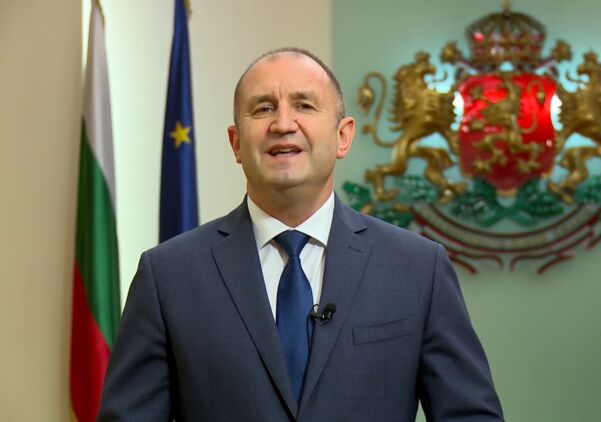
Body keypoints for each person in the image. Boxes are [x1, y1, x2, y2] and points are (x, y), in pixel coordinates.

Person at [97, 47, 503, 421]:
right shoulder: (168, 276)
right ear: (236, 143)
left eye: (304, 106)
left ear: (343, 136)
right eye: (263, 109)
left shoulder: (418, 269)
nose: (283, 124)